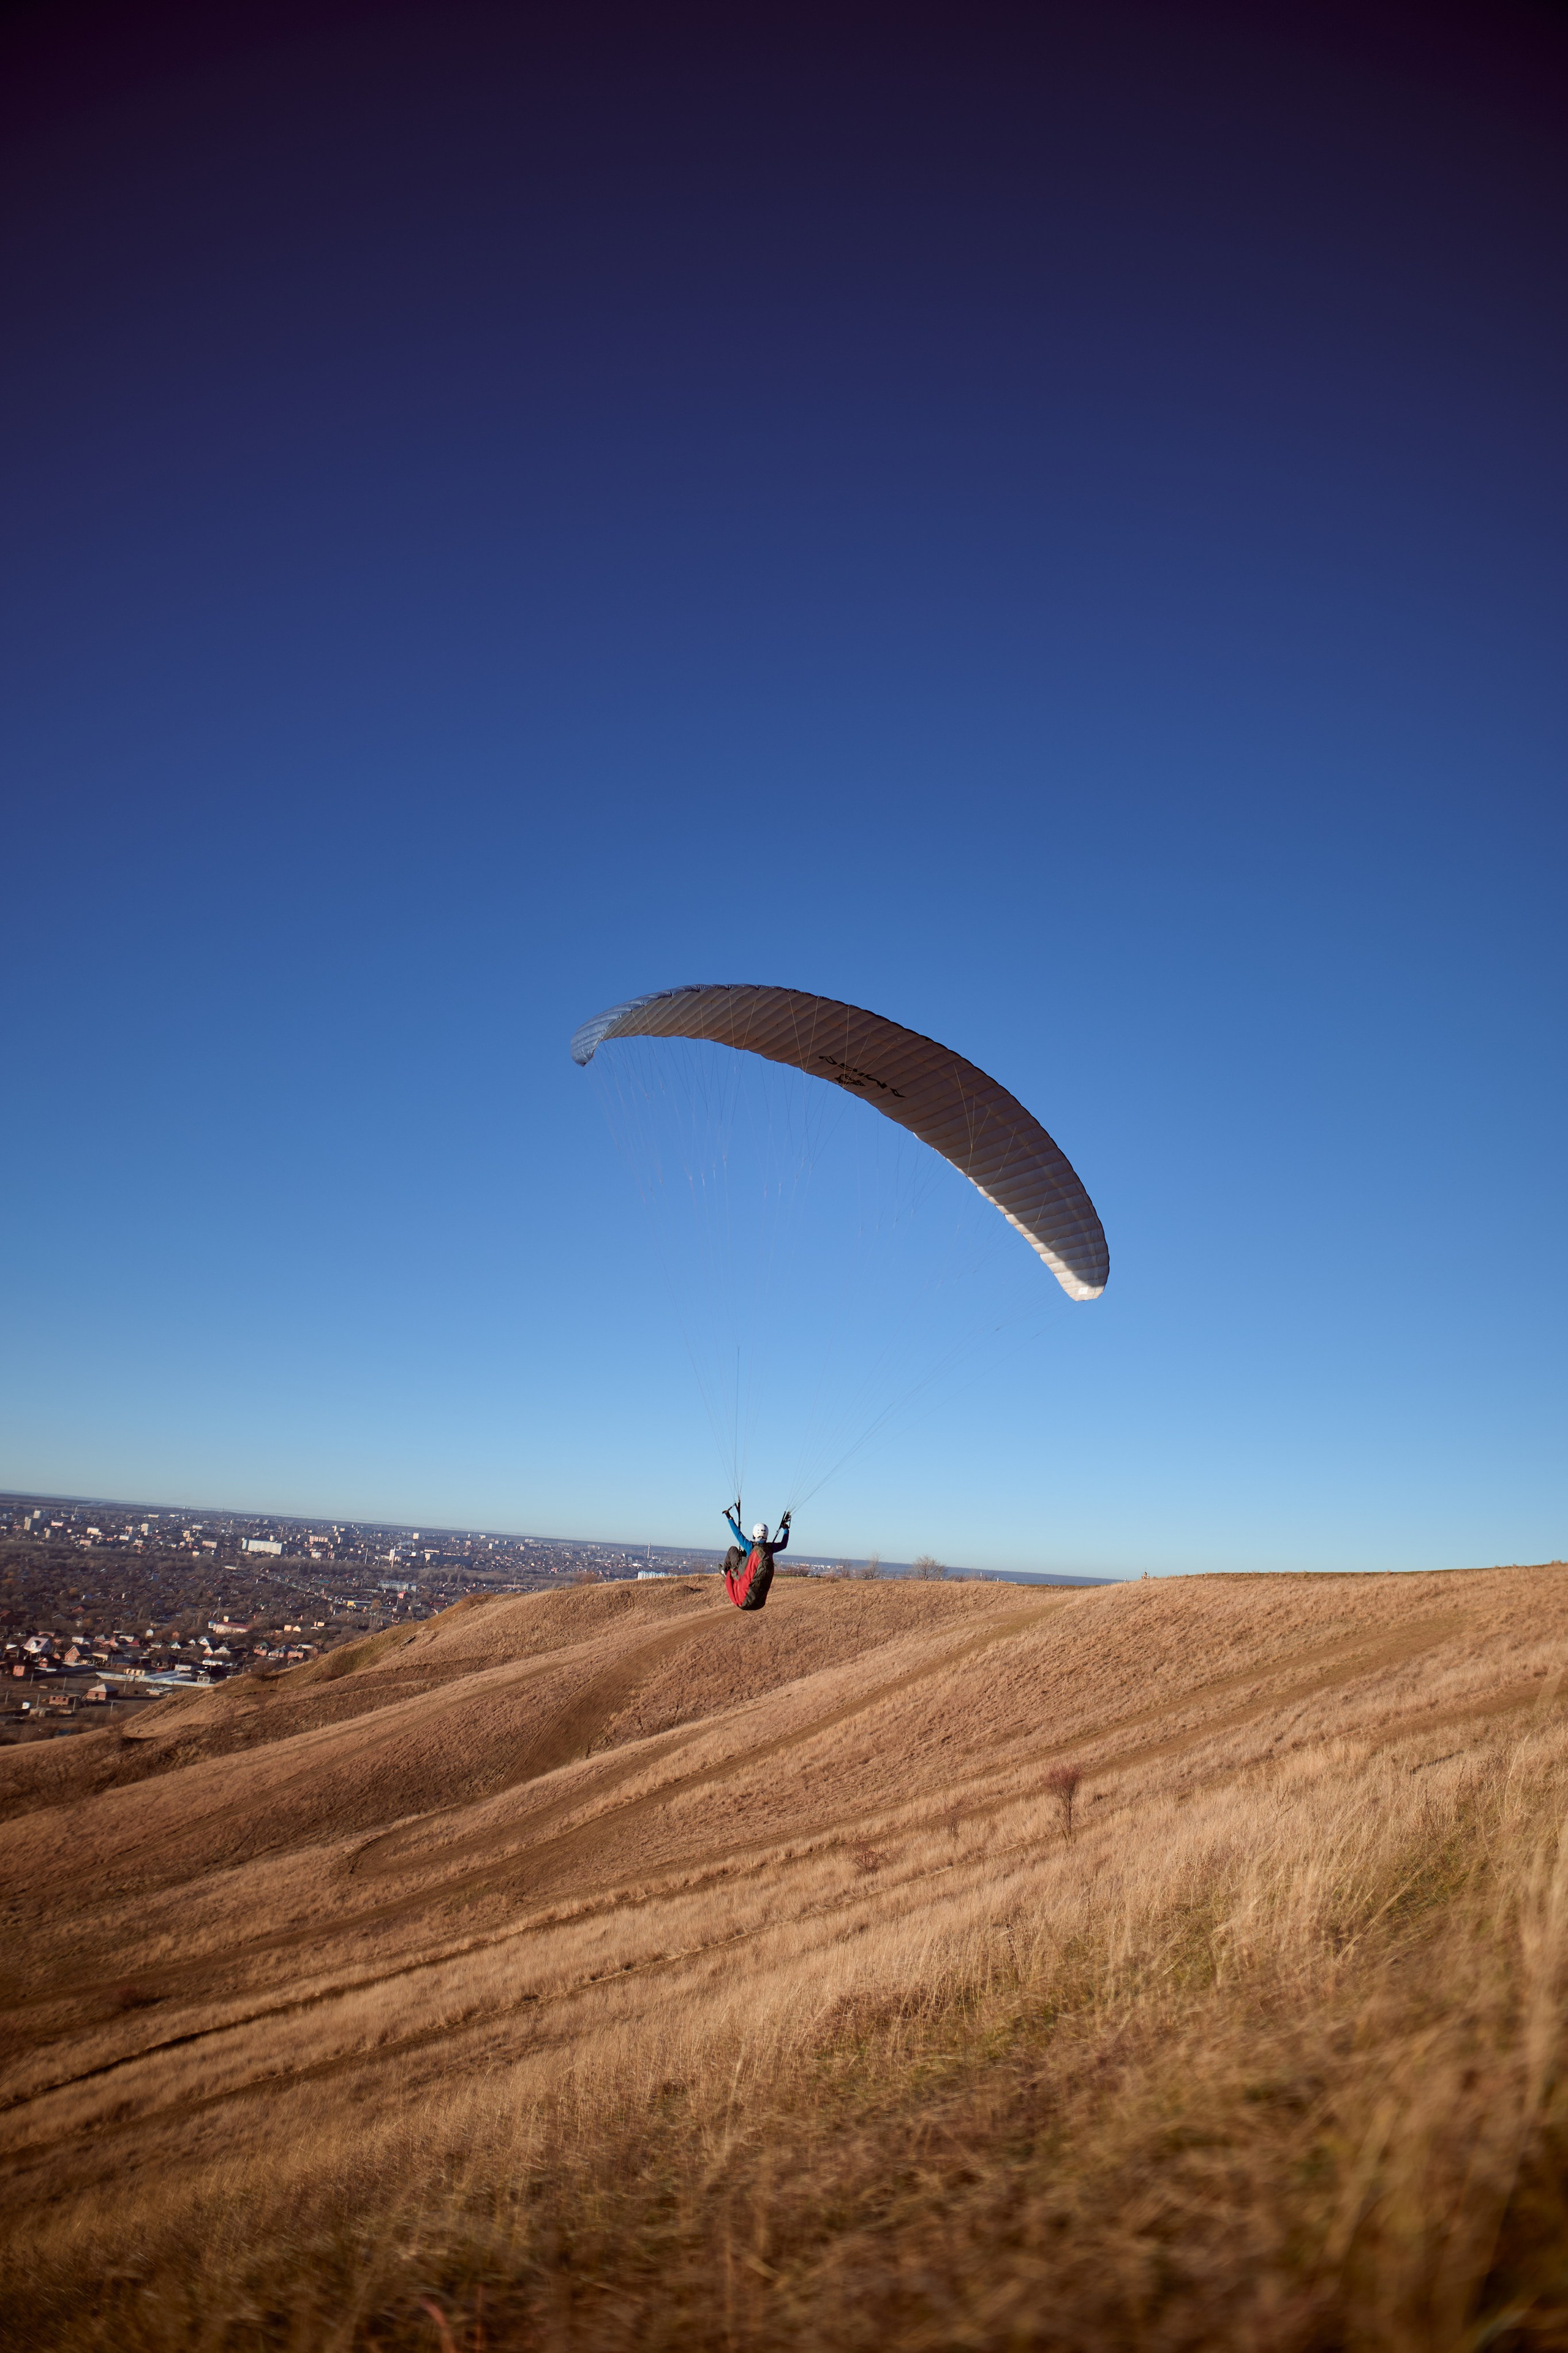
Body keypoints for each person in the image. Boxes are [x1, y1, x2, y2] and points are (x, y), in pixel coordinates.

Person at [721, 1502, 791, 1611]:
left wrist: (730, 1518)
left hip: (744, 1583)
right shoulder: (770, 1548)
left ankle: (725, 1571)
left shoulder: (751, 1547)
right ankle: (728, 1571)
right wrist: (786, 1529)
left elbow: (738, 1534)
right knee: (743, 1555)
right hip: (759, 1601)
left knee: (733, 1550)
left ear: (754, 1534)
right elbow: (784, 1544)